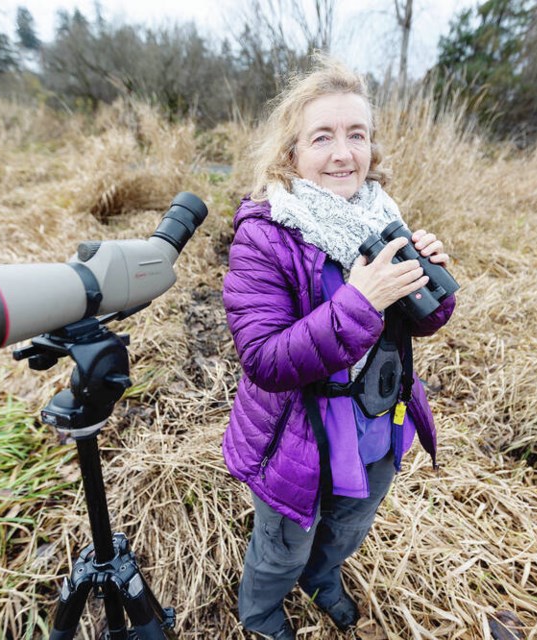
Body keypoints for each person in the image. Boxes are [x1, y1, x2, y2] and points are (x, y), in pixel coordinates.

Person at [222, 57, 456, 640]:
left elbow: (424, 326)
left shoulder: (382, 217)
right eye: (321, 137)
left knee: (348, 528)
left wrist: (431, 283)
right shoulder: (263, 234)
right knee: (281, 547)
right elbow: (265, 359)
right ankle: (261, 613)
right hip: (299, 440)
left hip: (378, 422)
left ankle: (324, 579)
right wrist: (362, 299)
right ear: (291, 153)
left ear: (372, 147)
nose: (343, 154)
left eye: (357, 135)